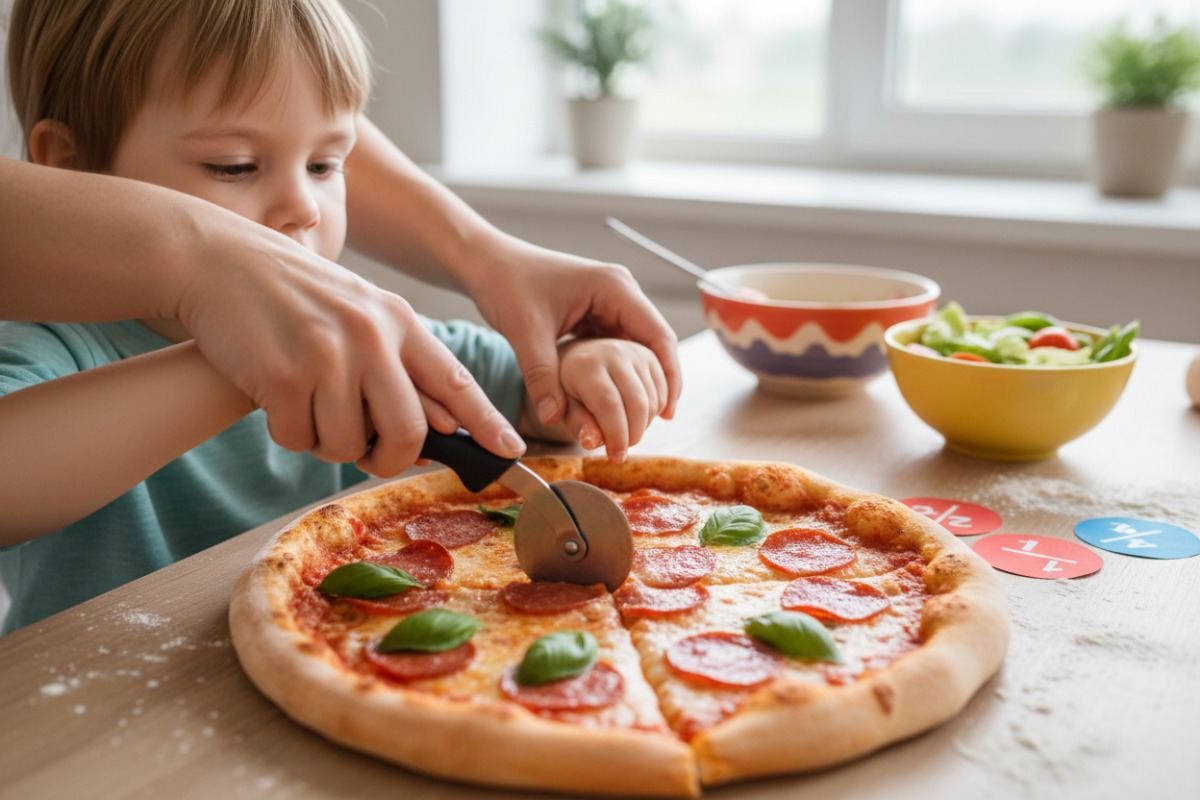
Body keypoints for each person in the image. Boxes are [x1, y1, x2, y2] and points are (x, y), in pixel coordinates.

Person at [0, 0, 671, 633]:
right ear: (70, 170)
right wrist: (246, 365)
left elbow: (527, 395)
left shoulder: (352, 331)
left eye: (325, 164)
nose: (304, 206)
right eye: (233, 166)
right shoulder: (62, 349)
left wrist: (582, 362)